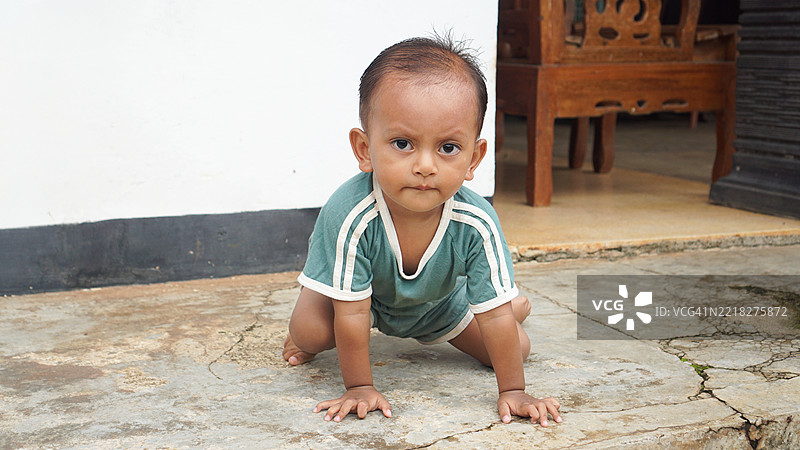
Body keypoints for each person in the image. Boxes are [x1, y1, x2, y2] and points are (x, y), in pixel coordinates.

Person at [283, 34, 561, 427]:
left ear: (473, 158)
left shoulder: (476, 221)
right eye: (403, 143)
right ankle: (323, 285)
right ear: (364, 149)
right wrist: (360, 386)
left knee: (517, 344)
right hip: (364, 300)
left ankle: (494, 297)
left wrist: (513, 391)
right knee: (308, 332)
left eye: (448, 148)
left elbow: (500, 334)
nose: (426, 165)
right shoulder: (350, 213)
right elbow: (353, 312)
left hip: (438, 305)